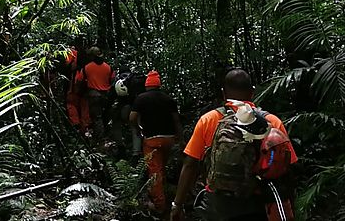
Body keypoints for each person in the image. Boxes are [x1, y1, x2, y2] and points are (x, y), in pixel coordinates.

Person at [171, 68, 298, 221]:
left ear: (224, 93)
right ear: (252, 92)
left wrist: (177, 205)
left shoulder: (209, 120)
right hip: (258, 204)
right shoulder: (272, 122)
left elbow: (190, 164)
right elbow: (287, 168)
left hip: (218, 206)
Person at [130, 70, 183, 216]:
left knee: (154, 172)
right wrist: (180, 138)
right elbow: (176, 120)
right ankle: (164, 194)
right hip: (169, 139)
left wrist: (138, 130)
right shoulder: (168, 99)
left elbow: (132, 117)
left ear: (147, 85)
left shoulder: (141, 99)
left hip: (151, 140)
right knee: (161, 167)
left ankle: (160, 206)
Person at [108, 70, 146, 160]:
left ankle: (121, 148)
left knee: (116, 125)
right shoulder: (135, 82)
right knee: (135, 128)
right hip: (134, 108)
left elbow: (110, 98)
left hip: (123, 108)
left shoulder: (117, 81)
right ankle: (136, 153)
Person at [83, 47, 114, 138]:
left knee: (97, 117)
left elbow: (80, 80)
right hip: (106, 95)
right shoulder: (108, 67)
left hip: (93, 94)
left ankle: (100, 138)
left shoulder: (87, 68)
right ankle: (108, 135)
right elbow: (112, 80)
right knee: (106, 115)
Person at [65, 46, 90, 133]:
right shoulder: (89, 65)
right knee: (84, 106)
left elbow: (67, 66)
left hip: (75, 86)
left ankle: (76, 124)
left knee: (71, 103)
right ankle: (85, 126)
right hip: (85, 88)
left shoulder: (71, 55)